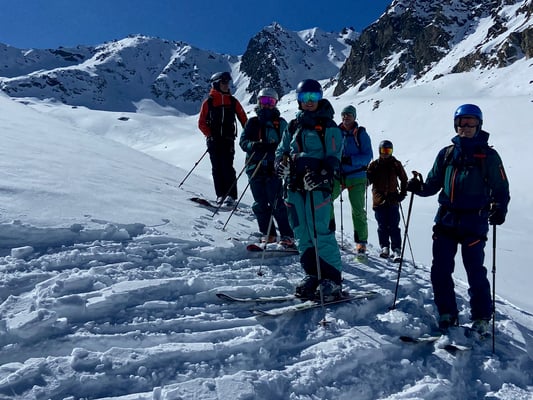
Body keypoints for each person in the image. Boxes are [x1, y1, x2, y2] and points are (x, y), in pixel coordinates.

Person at [406, 104, 510, 334]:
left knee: (475, 271)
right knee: (440, 270)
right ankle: (447, 313)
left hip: (474, 222)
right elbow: (432, 184)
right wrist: (418, 188)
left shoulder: (489, 156)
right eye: (462, 122)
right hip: (446, 221)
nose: (466, 127)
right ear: (456, 124)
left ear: (479, 125)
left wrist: (500, 208)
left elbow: (501, 188)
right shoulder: (446, 154)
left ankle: (481, 317)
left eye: (472, 122)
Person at [275, 79, 343, 301]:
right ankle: (312, 274)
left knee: (319, 230)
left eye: (314, 97)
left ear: (320, 98)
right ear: (298, 100)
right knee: (301, 231)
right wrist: (280, 165)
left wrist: (322, 174)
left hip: (317, 186)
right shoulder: (293, 126)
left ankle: (332, 279)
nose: (310, 102)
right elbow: (281, 151)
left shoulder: (329, 126)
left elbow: (334, 156)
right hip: (294, 186)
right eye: (305, 97)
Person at [239, 88, 294, 246]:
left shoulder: (280, 123)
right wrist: (254, 145)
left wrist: (273, 150)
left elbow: (287, 144)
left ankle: (287, 235)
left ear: (275, 103)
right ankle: (268, 234)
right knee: (260, 203)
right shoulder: (252, 122)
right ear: (259, 102)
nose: (267, 105)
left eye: (271, 102)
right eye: (264, 101)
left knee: (277, 202)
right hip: (254, 167)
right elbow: (243, 142)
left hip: (273, 168)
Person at [198, 71, 248, 206]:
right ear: (216, 84)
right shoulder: (208, 102)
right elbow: (201, 122)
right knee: (217, 167)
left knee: (227, 167)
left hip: (227, 140)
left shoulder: (232, 101)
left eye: (227, 82)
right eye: (223, 82)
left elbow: (243, 118)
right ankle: (220, 194)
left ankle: (231, 196)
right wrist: (209, 135)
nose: (227, 85)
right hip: (213, 140)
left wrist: (249, 132)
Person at [331, 105, 373, 256]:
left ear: (354, 117)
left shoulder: (361, 134)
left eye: (349, 114)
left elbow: (368, 156)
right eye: (344, 114)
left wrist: (350, 160)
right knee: (325, 201)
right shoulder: (335, 132)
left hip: (357, 176)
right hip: (339, 175)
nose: (346, 117)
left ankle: (361, 242)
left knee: (358, 210)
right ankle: (329, 234)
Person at [366, 140, 408, 262]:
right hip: (379, 199)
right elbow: (368, 181)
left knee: (394, 225)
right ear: (380, 151)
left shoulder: (396, 164)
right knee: (382, 225)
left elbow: (404, 179)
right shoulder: (374, 165)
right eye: (384, 150)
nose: (386, 153)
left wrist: (402, 194)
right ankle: (385, 247)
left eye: (388, 151)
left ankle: (396, 249)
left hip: (393, 199)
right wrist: (366, 176)